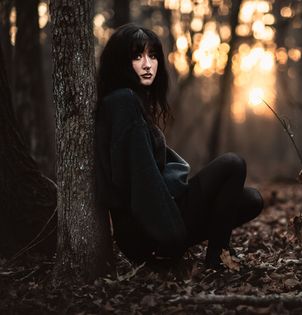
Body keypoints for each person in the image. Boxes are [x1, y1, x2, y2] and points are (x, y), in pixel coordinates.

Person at [95, 23, 263, 269]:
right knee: (232, 164)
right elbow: (141, 178)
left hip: (154, 222)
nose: (147, 64)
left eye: (153, 56)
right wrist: (171, 237)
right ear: (120, 62)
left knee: (250, 199)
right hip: (145, 231)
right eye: (137, 56)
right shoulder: (123, 102)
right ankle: (217, 256)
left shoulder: (131, 101)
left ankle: (219, 253)